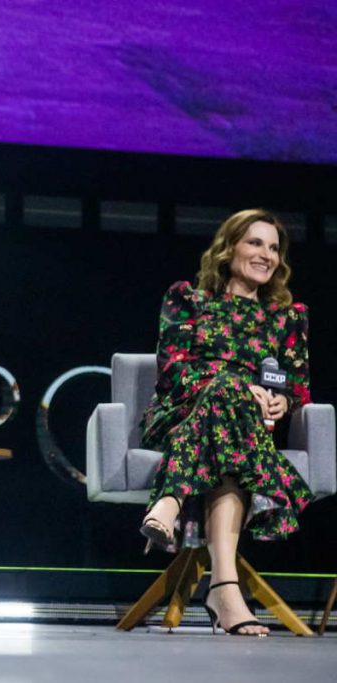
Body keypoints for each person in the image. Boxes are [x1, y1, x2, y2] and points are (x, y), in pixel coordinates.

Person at [138, 209, 312, 637]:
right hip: (182, 414)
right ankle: (224, 588)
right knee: (230, 392)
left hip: (251, 428)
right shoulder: (188, 299)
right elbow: (173, 371)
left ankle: (171, 502)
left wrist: (280, 400)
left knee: (234, 415)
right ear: (229, 246)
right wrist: (233, 385)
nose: (265, 255)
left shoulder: (287, 318)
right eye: (255, 243)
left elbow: (298, 384)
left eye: (273, 248)